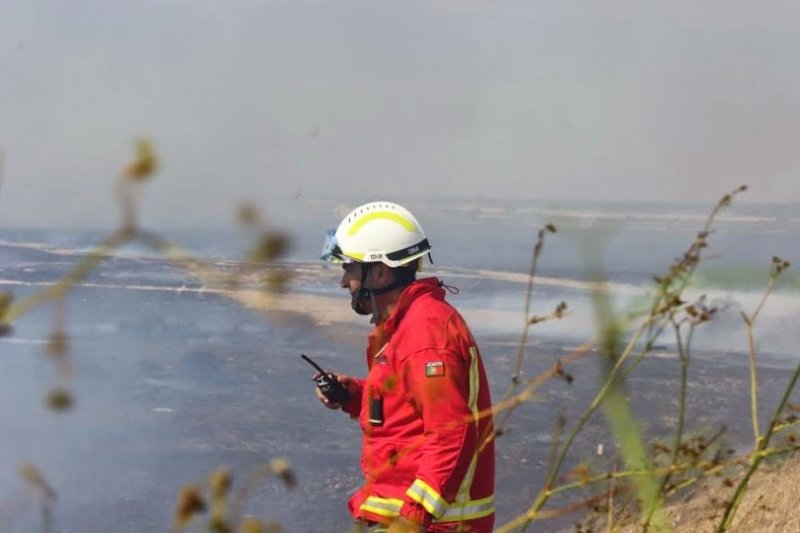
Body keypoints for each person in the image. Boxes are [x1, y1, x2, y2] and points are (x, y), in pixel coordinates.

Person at [316, 201, 495, 532]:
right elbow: (409, 408)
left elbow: (451, 431)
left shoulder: (426, 333)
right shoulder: (407, 325)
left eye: (351, 270)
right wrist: (355, 395)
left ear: (381, 273)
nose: (344, 282)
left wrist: (414, 515)